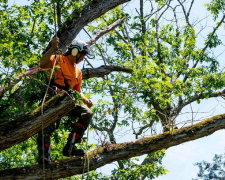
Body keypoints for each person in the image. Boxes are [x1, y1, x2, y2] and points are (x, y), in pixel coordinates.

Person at [37, 37, 94, 165]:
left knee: (87, 113)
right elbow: (42, 64)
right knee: (47, 126)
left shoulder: (78, 72)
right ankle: (44, 156)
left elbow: (77, 90)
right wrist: (52, 48)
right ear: (75, 52)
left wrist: (85, 100)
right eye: (82, 55)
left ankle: (71, 146)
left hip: (67, 100)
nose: (83, 58)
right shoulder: (58, 59)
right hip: (52, 97)